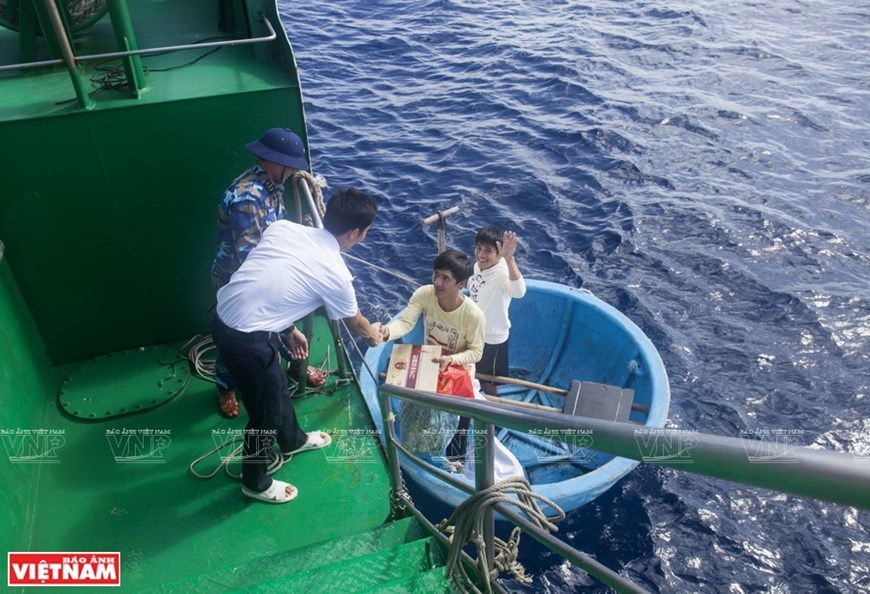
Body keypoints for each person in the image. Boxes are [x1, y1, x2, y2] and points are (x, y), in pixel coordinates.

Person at [211, 188, 383, 503]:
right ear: (356, 233)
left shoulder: (284, 228)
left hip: (225, 318)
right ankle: (255, 482)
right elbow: (356, 323)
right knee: (265, 416)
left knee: (275, 387)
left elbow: (271, 280)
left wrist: (288, 328)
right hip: (246, 340)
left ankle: (292, 440)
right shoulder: (336, 274)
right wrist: (375, 336)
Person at [210, 128, 308, 419]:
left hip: (265, 274)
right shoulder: (248, 199)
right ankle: (225, 386)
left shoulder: (270, 185)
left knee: (271, 325)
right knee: (237, 338)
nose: (293, 173)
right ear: (276, 163)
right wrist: (287, 326)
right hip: (239, 283)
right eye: (291, 167)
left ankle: (292, 361)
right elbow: (252, 262)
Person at [379, 250, 484, 462]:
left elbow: (476, 352)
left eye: (446, 278)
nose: (437, 282)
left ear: (461, 283)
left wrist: (451, 359)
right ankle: (418, 452)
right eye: (436, 275)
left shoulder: (473, 315)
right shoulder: (424, 294)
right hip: (429, 365)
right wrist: (386, 332)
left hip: (457, 374)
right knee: (417, 416)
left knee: (459, 425)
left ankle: (456, 460)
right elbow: (405, 322)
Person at [466, 226, 526, 395]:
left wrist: (509, 258)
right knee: (474, 374)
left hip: (492, 339)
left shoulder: (502, 273)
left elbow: (519, 291)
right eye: (478, 248)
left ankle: (491, 415)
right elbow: (474, 286)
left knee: (487, 380)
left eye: (488, 250)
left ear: (499, 253)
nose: (481, 254)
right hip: (474, 332)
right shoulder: (479, 266)